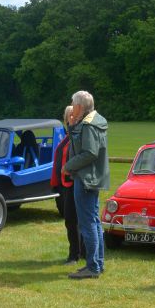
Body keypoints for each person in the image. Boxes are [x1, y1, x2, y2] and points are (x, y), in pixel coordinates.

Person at [63, 90, 109, 280]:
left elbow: (89, 152)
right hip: (91, 178)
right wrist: (72, 124)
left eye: (73, 104)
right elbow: (79, 144)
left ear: (80, 107)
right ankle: (97, 263)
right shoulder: (92, 121)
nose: (71, 107)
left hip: (86, 179)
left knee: (87, 223)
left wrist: (68, 165)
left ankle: (93, 267)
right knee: (94, 221)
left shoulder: (89, 125)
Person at [51, 104, 84, 265]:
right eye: (69, 116)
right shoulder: (66, 138)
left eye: (75, 116)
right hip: (65, 185)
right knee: (72, 220)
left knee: (73, 220)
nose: (72, 119)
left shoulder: (78, 138)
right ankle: (81, 252)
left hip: (74, 183)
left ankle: (75, 255)